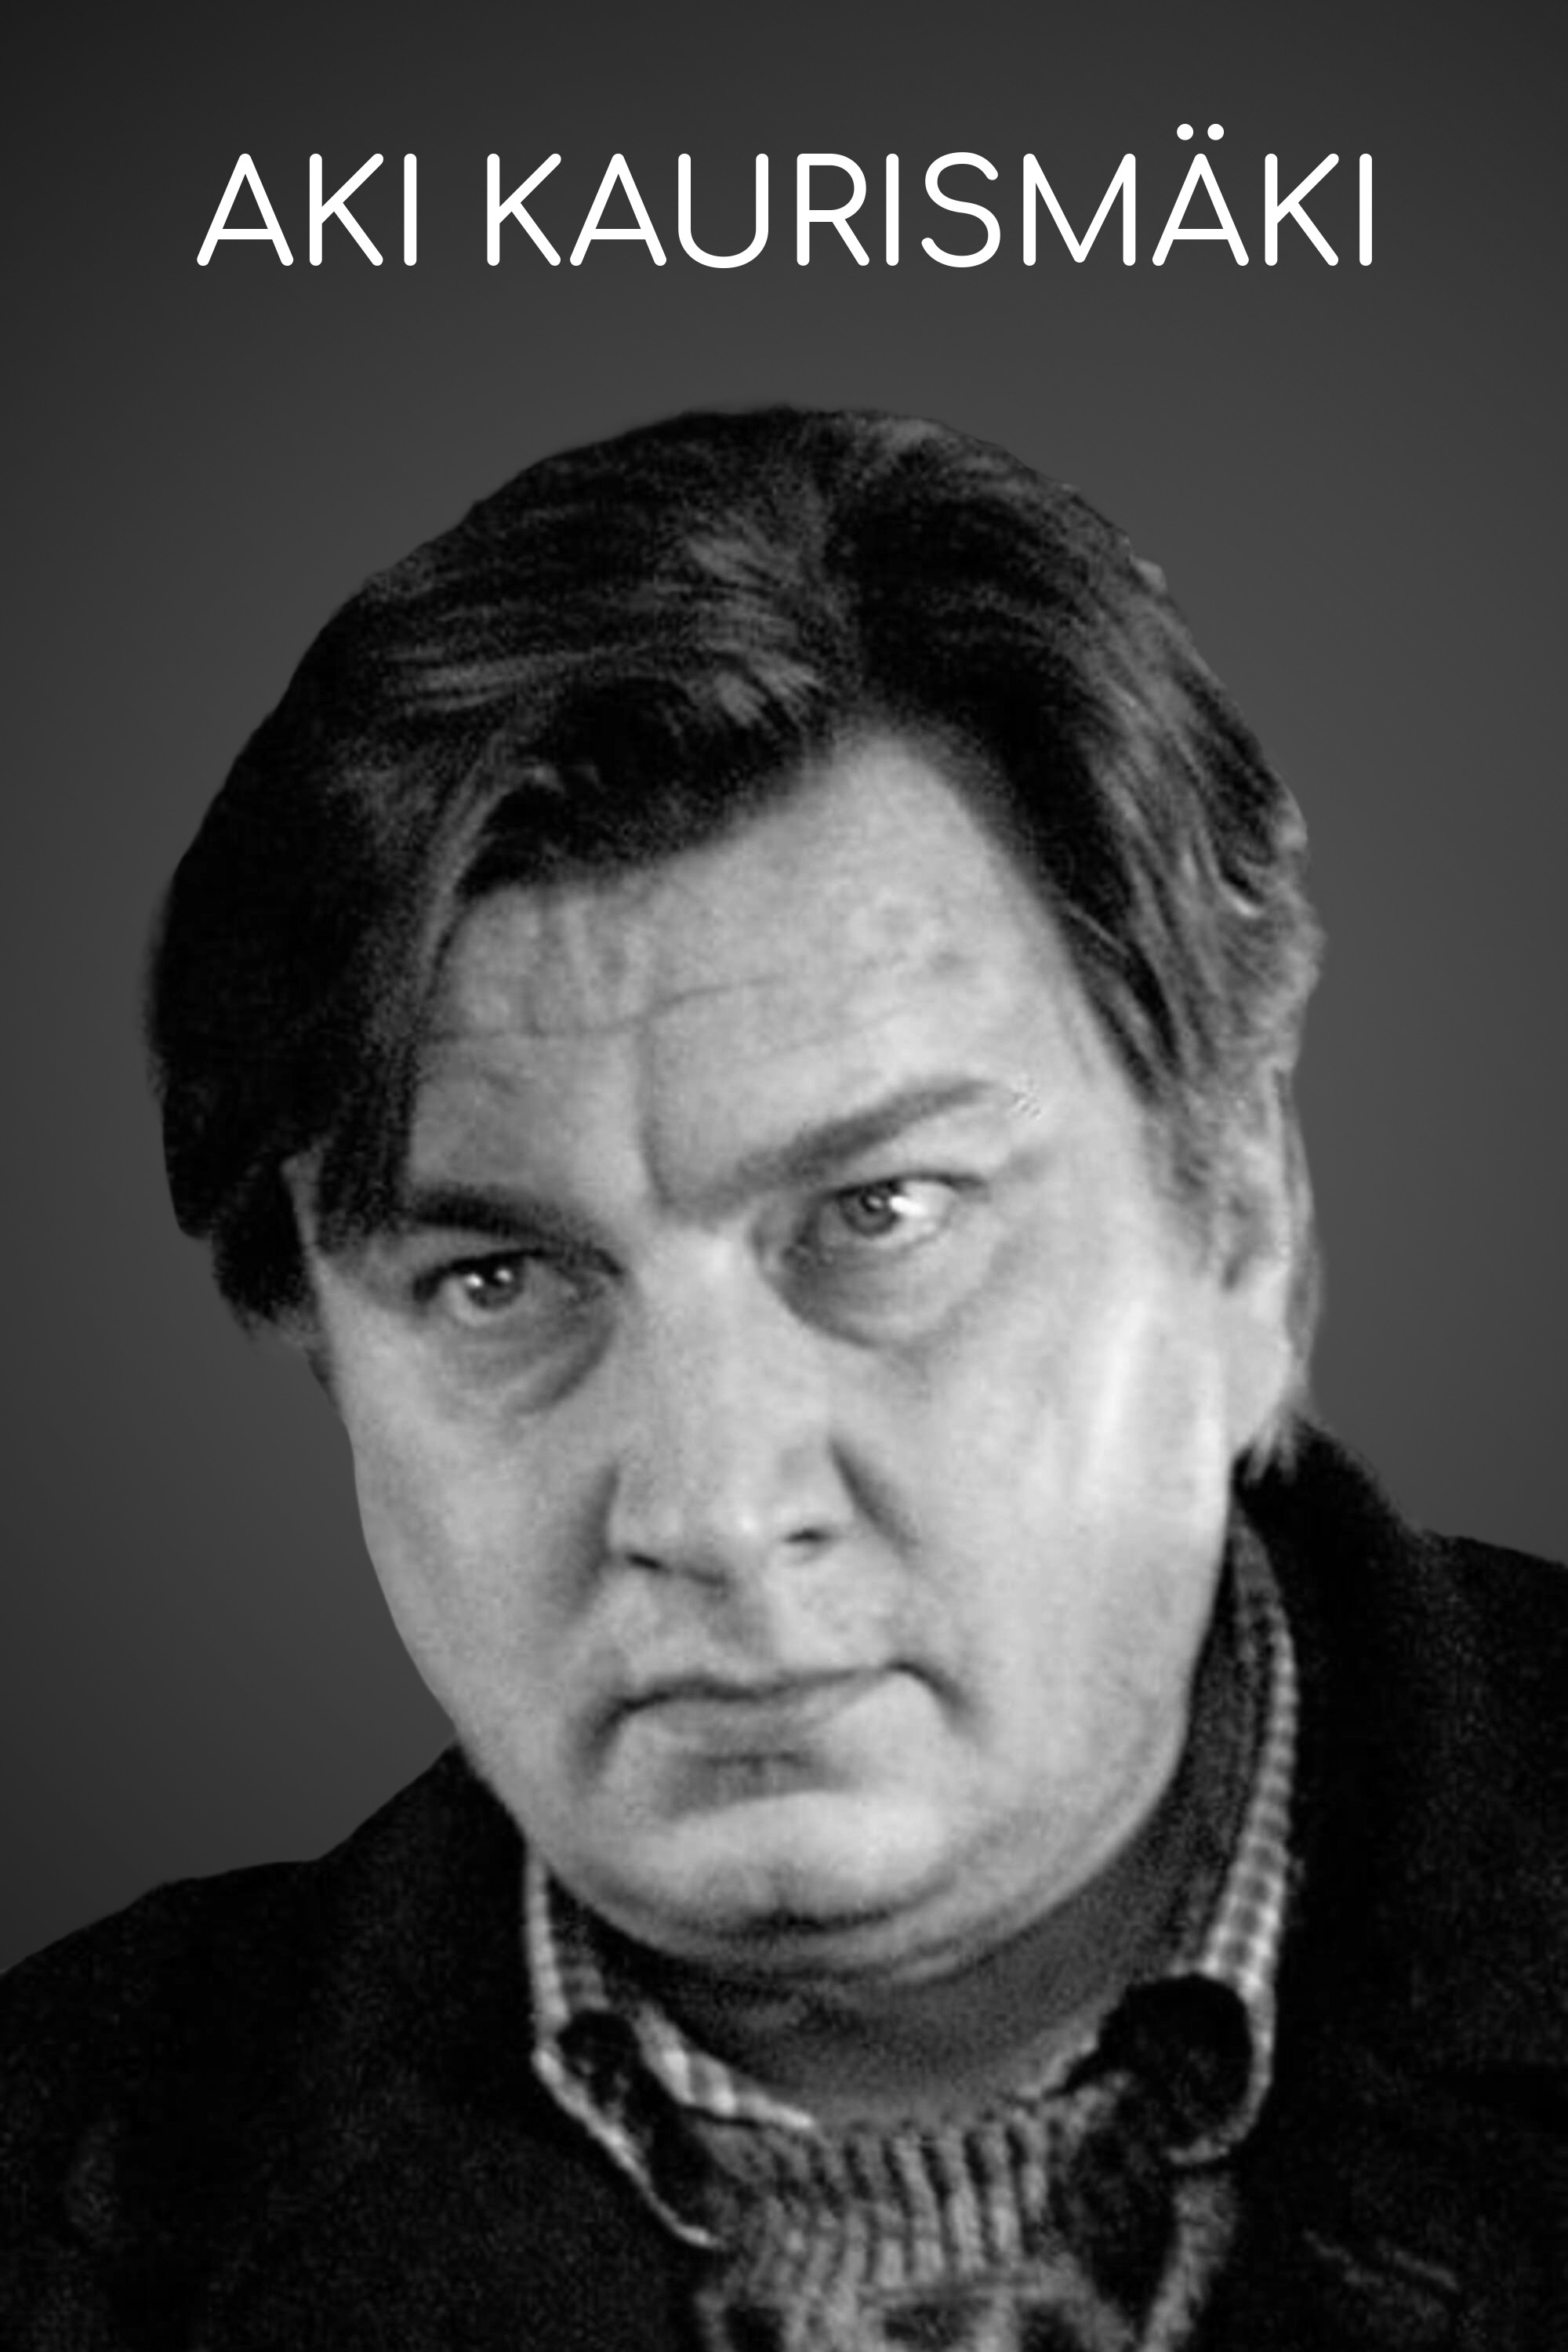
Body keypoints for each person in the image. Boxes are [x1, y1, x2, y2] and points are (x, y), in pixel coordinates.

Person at [2, 408, 1563, 2351]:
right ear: (326, 1352)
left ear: (1242, 1230)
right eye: (498, 1278)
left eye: (878, 1215)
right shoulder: (52, 2194)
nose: (715, 1510)